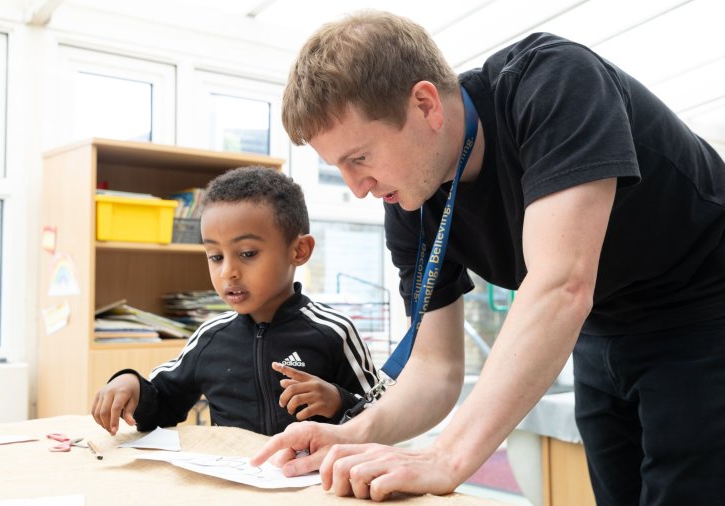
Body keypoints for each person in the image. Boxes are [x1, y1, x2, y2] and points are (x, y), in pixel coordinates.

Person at [249, 10, 725, 504]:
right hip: (602, 324)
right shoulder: (410, 197)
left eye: (360, 158)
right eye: (339, 168)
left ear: (425, 104)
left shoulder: (554, 83)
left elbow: (561, 285)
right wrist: (354, 434)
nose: (358, 188)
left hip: (703, 307)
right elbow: (436, 369)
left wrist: (446, 457)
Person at [91, 167, 380, 437]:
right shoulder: (210, 338)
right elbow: (162, 403)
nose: (228, 271)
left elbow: (381, 416)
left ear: (299, 251)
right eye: (215, 257)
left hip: (315, 485)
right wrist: (130, 383)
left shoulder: (333, 332)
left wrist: (339, 402)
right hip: (235, 483)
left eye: (247, 253)